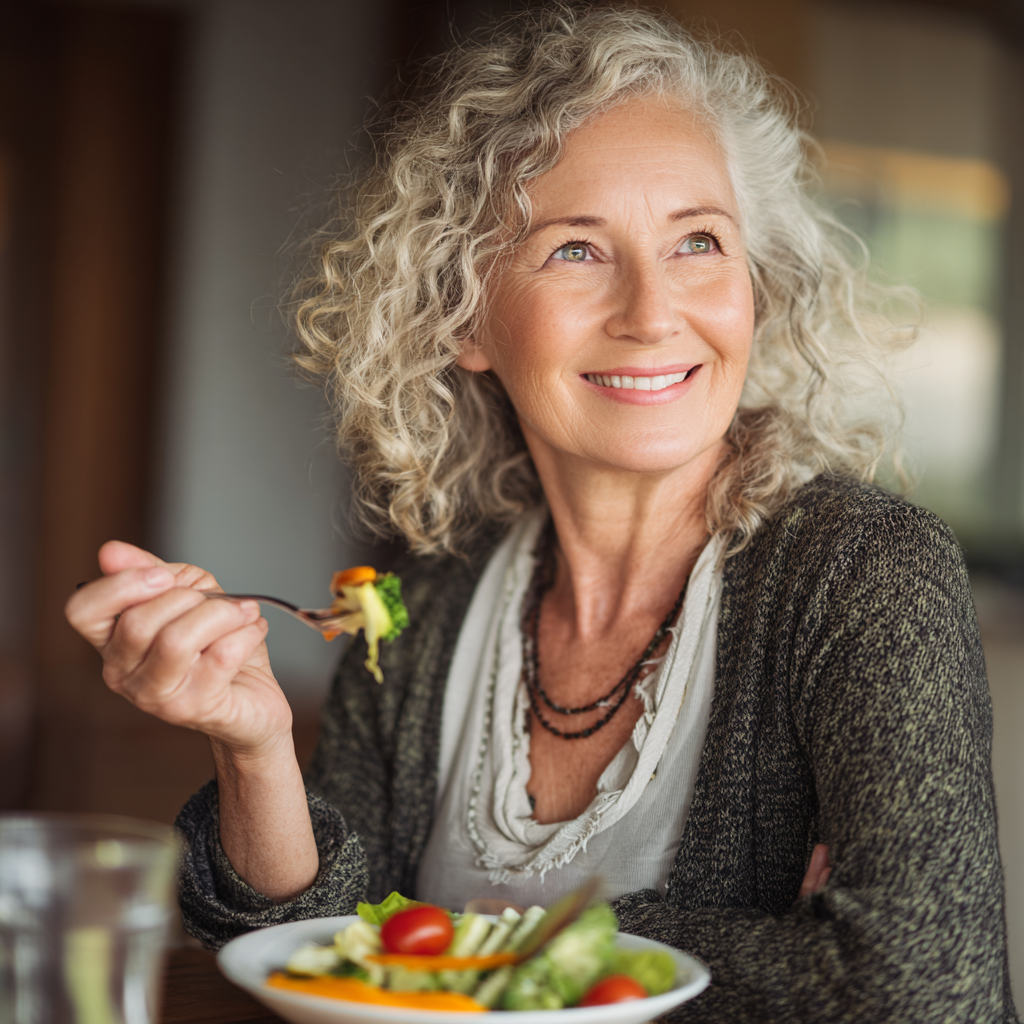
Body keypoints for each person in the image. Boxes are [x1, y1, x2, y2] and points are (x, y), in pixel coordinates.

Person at [65, 6, 1016, 1021]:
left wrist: (468, 942)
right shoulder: (428, 602)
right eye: (575, 250)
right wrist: (252, 745)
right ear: (463, 315)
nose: (652, 312)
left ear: (755, 287)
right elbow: (319, 952)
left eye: (698, 240)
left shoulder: (861, 572)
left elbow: (928, 990)